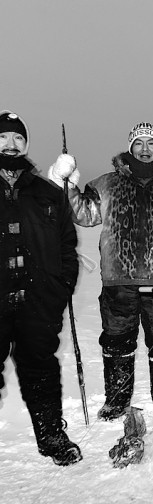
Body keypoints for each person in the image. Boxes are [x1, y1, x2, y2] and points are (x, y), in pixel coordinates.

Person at [48, 122, 153, 420]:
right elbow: (82, 212)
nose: (145, 149)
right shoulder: (106, 184)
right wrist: (62, 183)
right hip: (118, 281)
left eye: (150, 143)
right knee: (117, 342)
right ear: (130, 147)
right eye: (139, 143)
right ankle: (116, 401)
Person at [0, 110, 82, 466]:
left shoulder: (48, 194)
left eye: (18, 138)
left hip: (38, 302)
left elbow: (67, 246)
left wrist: (60, 290)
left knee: (42, 372)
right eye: (3, 137)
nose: (11, 144)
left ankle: (51, 436)